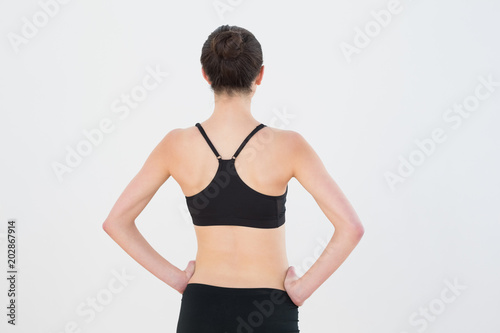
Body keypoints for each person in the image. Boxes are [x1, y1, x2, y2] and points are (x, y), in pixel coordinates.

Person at [102, 24, 364, 333]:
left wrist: (176, 277)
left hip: (201, 308)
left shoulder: (176, 145)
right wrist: (302, 288)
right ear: (260, 76)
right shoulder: (289, 146)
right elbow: (351, 227)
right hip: (269, 309)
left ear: (206, 75)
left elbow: (116, 221)